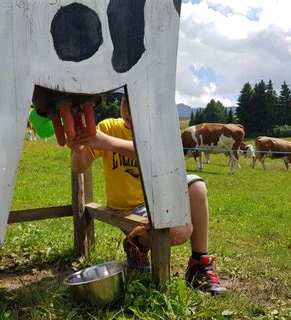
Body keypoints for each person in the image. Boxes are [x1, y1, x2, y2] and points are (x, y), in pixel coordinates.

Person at [66, 94, 227, 295]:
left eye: (137, 103)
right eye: (125, 102)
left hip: (159, 195)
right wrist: (79, 150)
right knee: (180, 231)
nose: (128, 111)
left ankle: (199, 265)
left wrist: (108, 143)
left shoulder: (157, 130)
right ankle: (138, 244)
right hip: (129, 208)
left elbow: (157, 156)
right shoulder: (109, 127)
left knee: (197, 187)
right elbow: (80, 167)